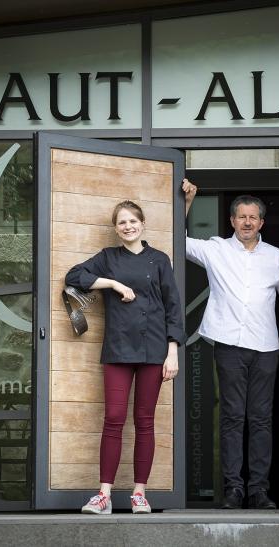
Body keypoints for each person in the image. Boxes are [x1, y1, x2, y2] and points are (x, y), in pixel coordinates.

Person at [66, 200, 184, 515]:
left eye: (133, 220)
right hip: (118, 348)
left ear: (142, 223)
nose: (128, 226)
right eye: (122, 222)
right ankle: (103, 495)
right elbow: (75, 275)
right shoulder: (108, 258)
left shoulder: (159, 260)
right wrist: (113, 283)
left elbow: (173, 306)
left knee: (144, 421)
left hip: (154, 349)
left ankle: (139, 493)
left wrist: (172, 351)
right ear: (116, 228)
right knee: (114, 419)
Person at [182, 179, 279, 510]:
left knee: (260, 419)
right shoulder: (215, 248)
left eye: (253, 217)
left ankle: (259, 489)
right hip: (229, 344)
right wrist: (187, 202)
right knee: (231, 416)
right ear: (232, 220)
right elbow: (177, 240)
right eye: (241, 216)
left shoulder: (276, 257)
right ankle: (234, 488)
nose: (247, 222)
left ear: (261, 222)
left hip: (266, 347)